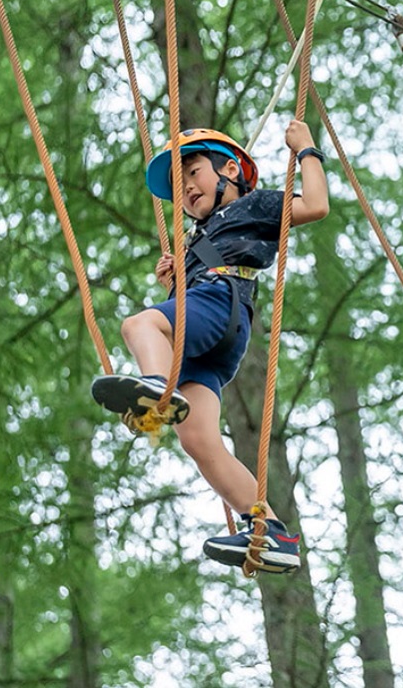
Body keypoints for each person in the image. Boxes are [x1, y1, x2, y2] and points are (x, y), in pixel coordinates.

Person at [91, 121, 329, 574]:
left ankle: (157, 392)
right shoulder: (200, 237)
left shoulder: (255, 204)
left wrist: (306, 150)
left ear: (231, 171)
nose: (186, 189)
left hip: (221, 303)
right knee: (198, 439)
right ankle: (270, 531)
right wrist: (179, 275)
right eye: (179, 186)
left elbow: (316, 205)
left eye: (194, 172)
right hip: (217, 328)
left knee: (141, 325)